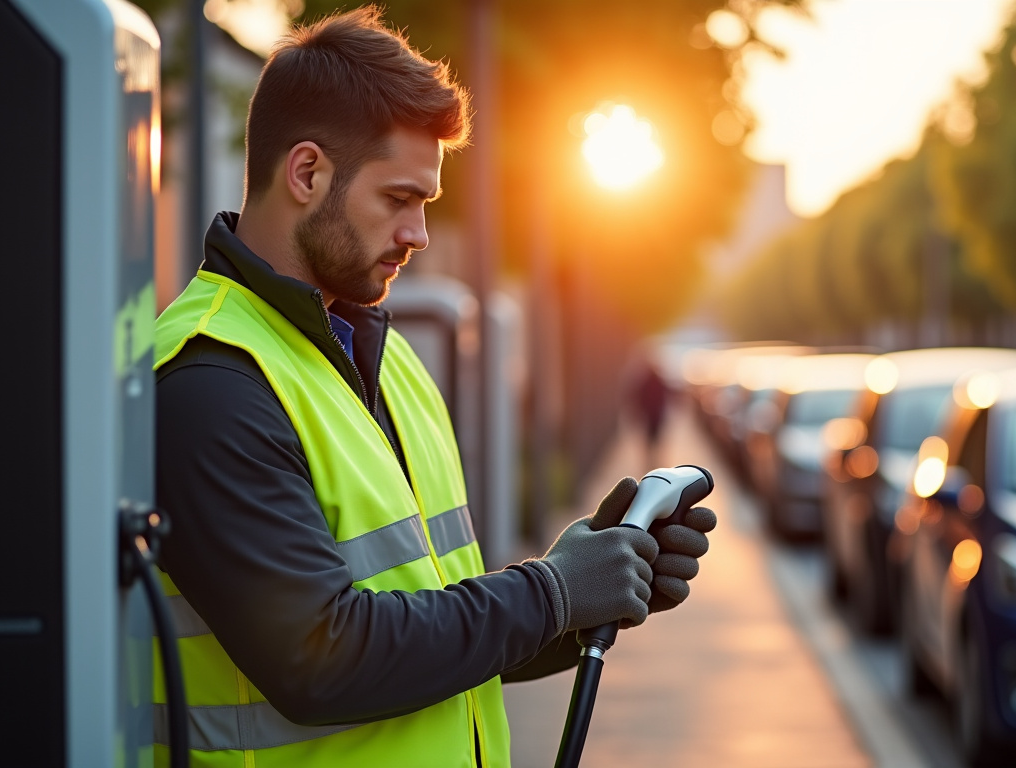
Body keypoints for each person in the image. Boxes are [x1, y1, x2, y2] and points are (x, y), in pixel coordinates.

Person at [152, 8, 716, 768]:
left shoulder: (387, 361)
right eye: (398, 198)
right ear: (307, 173)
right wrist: (550, 592)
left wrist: (592, 598)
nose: (418, 233)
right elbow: (322, 657)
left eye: (427, 203)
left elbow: (432, 636)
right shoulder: (209, 380)